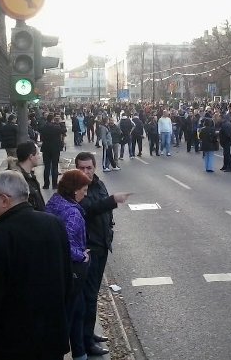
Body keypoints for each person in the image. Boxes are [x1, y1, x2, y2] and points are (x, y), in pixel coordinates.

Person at [0, 171, 73, 360]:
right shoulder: (54, 224)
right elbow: (67, 281)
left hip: (11, 346)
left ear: (4, 200)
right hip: (51, 340)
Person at [75, 152, 131, 357]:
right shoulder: (77, 188)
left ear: (94, 167)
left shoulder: (98, 184)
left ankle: (89, 334)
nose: (85, 172)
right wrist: (112, 200)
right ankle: (86, 341)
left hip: (101, 247)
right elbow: (88, 209)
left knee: (93, 295)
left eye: (88, 168)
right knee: (88, 298)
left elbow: (105, 213)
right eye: (81, 168)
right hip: (89, 250)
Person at [45, 169, 92, 360]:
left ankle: (80, 353)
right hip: (71, 272)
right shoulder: (72, 213)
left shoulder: (55, 202)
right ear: (74, 190)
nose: (85, 193)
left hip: (56, 270)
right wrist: (82, 256)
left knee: (78, 311)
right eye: (83, 189)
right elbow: (65, 245)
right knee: (71, 315)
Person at [13, 141, 46, 211]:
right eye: (37, 154)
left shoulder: (30, 176)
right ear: (31, 157)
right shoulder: (18, 180)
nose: (39, 156)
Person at [40, 113, 65, 189]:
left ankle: (46, 184)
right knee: (55, 166)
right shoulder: (56, 127)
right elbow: (64, 130)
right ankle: (54, 184)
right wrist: (60, 122)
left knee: (46, 167)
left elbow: (41, 137)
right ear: (52, 119)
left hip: (46, 148)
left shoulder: (43, 127)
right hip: (55, 148)